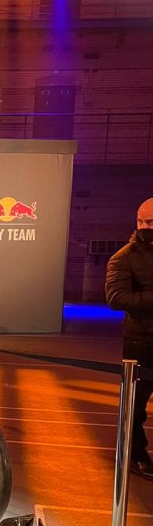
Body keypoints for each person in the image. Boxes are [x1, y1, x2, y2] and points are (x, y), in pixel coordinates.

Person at [105, 198, 153, 479]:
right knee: (134, 407)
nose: (145, 227)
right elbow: (116, 297)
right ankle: (135, 455)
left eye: (151, 222)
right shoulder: (123, 257)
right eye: (141, 222)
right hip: (141, 342)